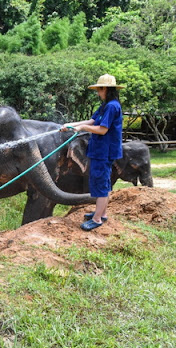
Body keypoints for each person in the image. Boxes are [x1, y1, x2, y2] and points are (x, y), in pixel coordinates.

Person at [61, 74, 124, 231]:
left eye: (100, 89)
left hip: (105, 151)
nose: (98, 92)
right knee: (103, 182)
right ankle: (101, 213)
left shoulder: (112, 106)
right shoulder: (105, 105)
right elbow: (92, 121)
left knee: (101, 183)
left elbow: (102, 130)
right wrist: (71, 124)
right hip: (99, 150)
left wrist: (82, 128)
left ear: (108, 90)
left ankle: (97, 219)